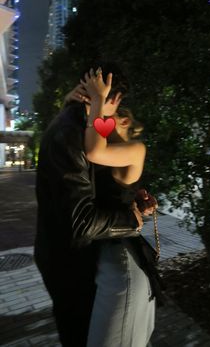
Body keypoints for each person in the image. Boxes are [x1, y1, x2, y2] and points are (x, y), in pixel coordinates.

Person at [34, 62, 156, 347]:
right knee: (83, 333)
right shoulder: (79, 132)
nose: (116, 123)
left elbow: (96, 162)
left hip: (99, 256)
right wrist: (131, 217)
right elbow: (94, 154)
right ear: (115, 100)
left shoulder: (104, 137)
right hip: (77, 259)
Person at [75, 68, 160, 347]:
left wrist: (99, 102)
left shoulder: (136, 149)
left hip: (121, 261)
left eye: (113, 112)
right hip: (103, 257)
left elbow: (94, 151)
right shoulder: (102, 146)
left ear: (123, 119)